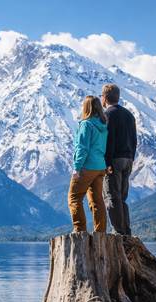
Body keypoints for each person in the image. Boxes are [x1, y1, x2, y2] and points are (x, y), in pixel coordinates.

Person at [68, 95, 108, 233]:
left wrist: (77, 168)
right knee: (97, 200)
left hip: (87, 166)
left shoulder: (86, 124)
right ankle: (100, 232)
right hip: (100, 167)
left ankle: (79, 230)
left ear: (86, 108)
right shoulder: (103, 125)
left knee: (74, 197)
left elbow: (82, 148)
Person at [101, 84, 137, 236]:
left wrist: (107, 163)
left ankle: (118, 232)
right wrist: (131, 157)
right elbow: (134, 140)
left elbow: (108, 141)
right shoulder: (129, 115)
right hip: (128, 159)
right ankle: (126, 231)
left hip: (114, 160)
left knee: (111, 197)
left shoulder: (108, 115)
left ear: (104, 97)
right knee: (122, 197)